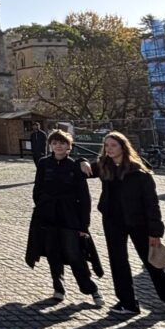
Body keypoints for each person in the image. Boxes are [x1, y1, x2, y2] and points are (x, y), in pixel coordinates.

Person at [90, 131, 165, 316]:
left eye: (113, 145)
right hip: (113, 221)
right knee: (118, 262)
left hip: (138, 222)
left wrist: (155, 232)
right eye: (106, 145)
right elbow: (81, 170)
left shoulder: (138, 172)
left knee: (151, 262)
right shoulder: (104, 167)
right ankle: (128, 303)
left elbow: (152, 204)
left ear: (123, 147)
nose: (109, 149)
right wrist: (82, 163)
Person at [27, 129, 103, 306]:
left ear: (69, 146)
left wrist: (84, 225)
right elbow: (37, 189)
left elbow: (84, 197)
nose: (58, 146)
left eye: (62, 143)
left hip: (69, 216)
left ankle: (90, 288)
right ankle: (58, 288)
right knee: (53, 253)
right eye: (54, 143)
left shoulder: (76, 166)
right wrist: (42, 205)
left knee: (74, 253)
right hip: (48, 215)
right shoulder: (44, 163)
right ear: (50, 146)